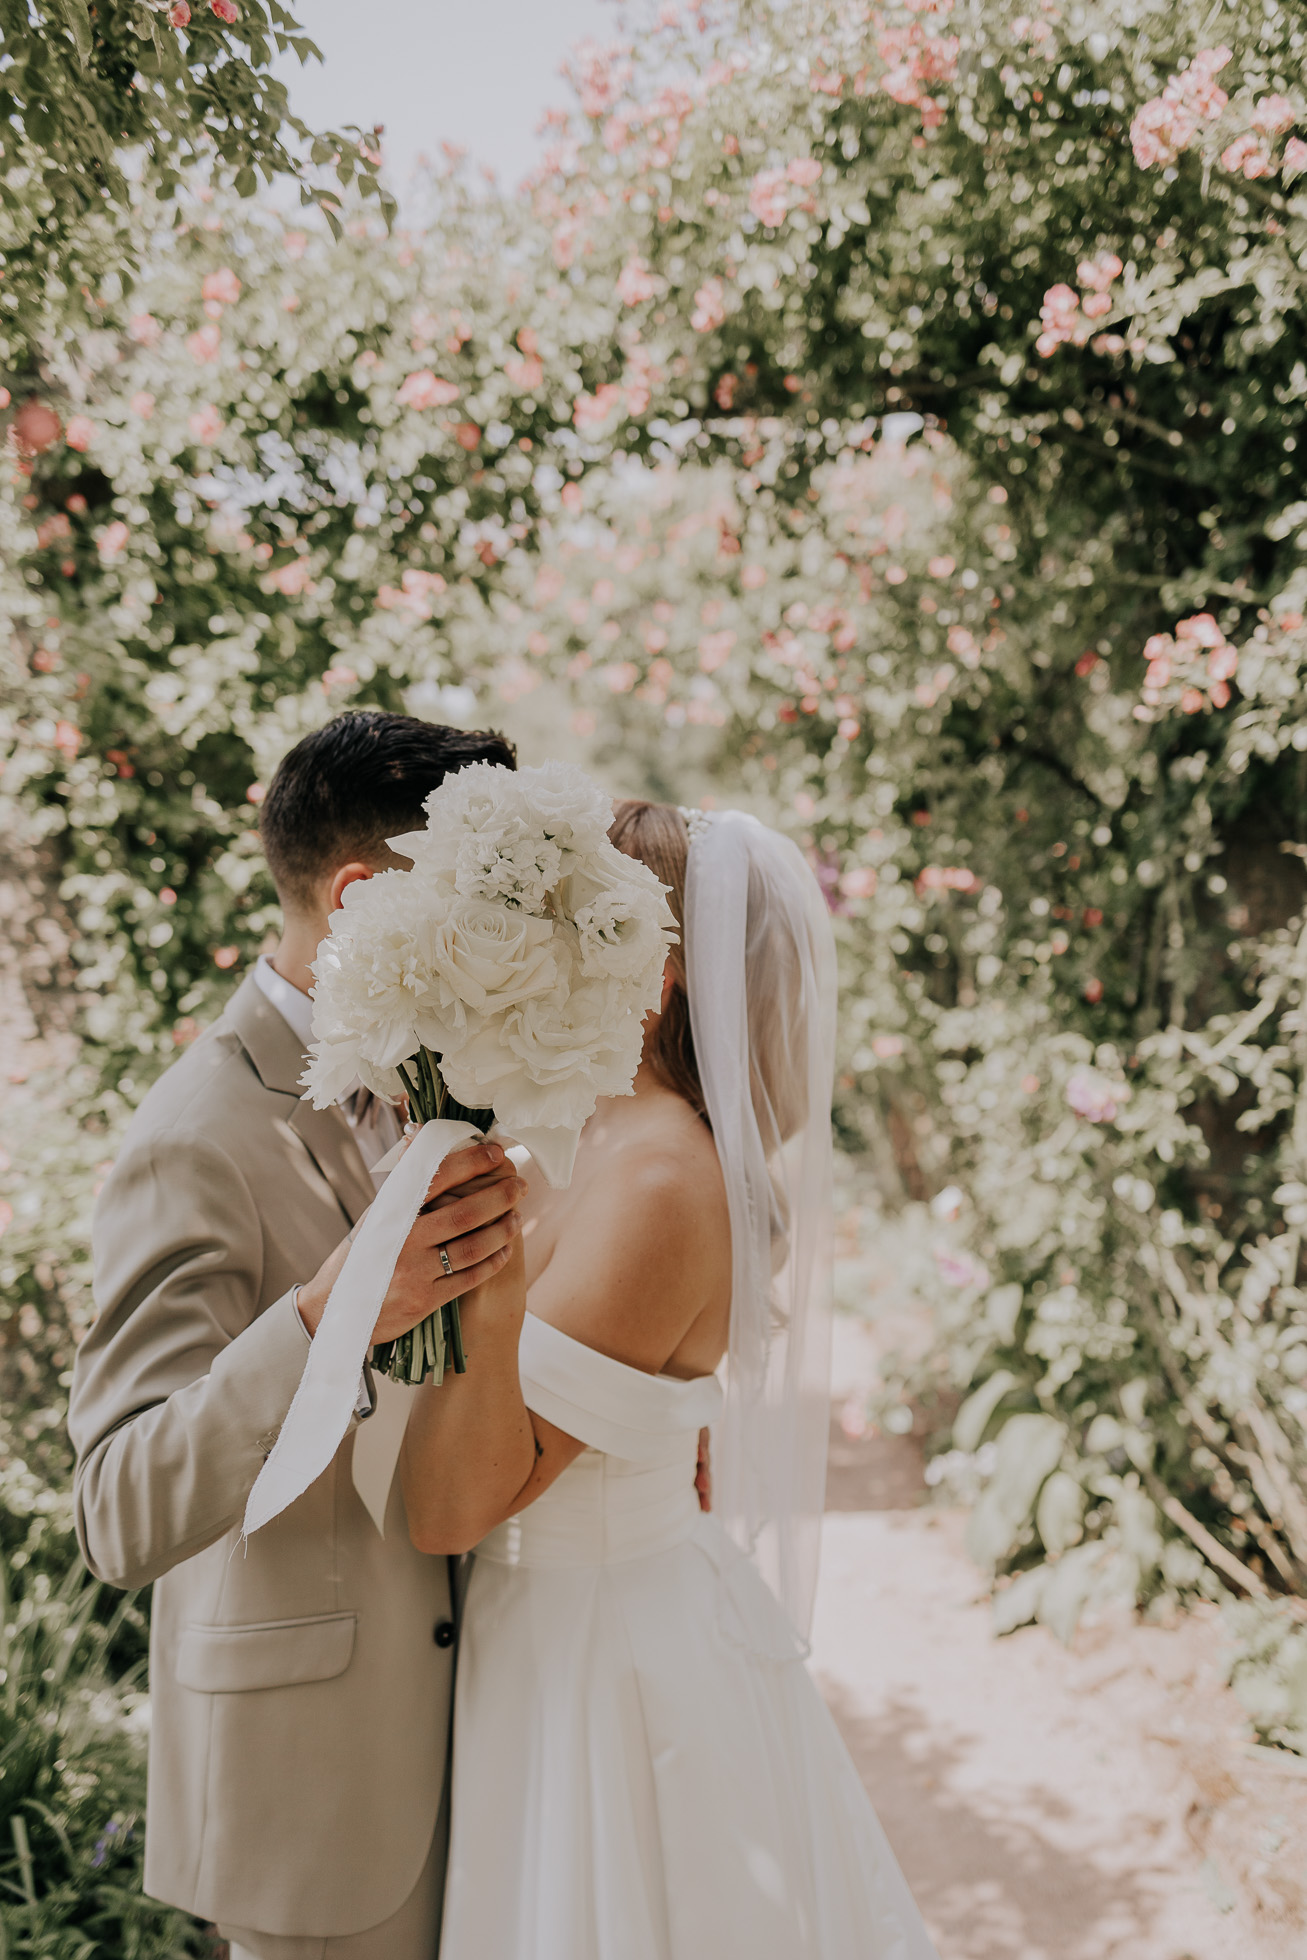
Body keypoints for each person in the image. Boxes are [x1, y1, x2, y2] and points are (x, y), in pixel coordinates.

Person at [402, 798, 942, 1959]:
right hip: (551, 1624)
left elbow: (450, 1507)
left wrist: (482, 1271)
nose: (532, 948)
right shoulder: (591, 1137)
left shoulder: (655, 1183)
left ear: (654, 972)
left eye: (565, 923)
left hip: (600, 1657)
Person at [67, 712, 529, 1960]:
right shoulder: (198, 1133)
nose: (500, 947)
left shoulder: (458, 1075)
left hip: (498, 1746)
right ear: (363, 898)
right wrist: (327, 1323)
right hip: (319, 1799)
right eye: (477, 908)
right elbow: (118, 1506)